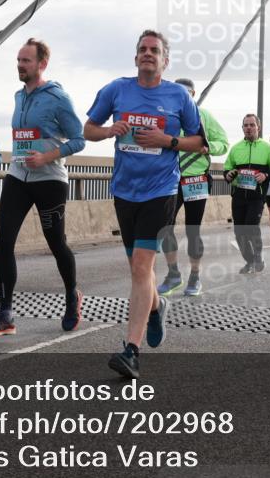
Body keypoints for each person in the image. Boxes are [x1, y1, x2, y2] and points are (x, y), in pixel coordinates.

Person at [84, 30, 204, 379]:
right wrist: (108, 131)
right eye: (142, 50)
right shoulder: (116, 90)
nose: (148, 54)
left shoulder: (179, 96)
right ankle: (156, 307)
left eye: (155, 51)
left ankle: (131, 351)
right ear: (136, 57)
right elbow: (87, 128)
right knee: (140, 271)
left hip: (161, 190)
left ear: (165, 60)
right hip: (124, 191)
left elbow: (200, 143)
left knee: (141, 266)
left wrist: (167, 140)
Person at [0, 39, 86, 337]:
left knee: (56, 243)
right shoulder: (18, 96)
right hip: (17, 177)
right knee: (4, 242)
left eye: (26, 61)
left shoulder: (59, 99)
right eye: (18, 60)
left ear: (42, 64)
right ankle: (6, 314)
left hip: (50, 180)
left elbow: (78, 139)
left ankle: (72, 295)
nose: (20, 65)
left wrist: (46, 156)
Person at [157, 77, 228, 297]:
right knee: (164, 227)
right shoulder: (166, 115)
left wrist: (208, 147)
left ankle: (195, 276)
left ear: (194, 94)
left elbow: (223, 143)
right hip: (170, 179)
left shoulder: (204, 116)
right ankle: (173, 273)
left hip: (196, 179)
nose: (182, 96)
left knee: (192, 229)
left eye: (186, 92)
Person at [223, 115, 270, 273]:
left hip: (257, 196)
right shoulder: (236, 148)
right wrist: (228, 175)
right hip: (238, 195)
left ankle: (258, 255)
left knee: (250, 226)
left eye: (252, 125)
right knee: (239, 232)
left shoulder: (266, 147)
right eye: (245, 125)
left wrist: (265, 175)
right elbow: (227, 169)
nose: (248, 128)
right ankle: (249, 262)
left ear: (258, 127)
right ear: (242, 128)